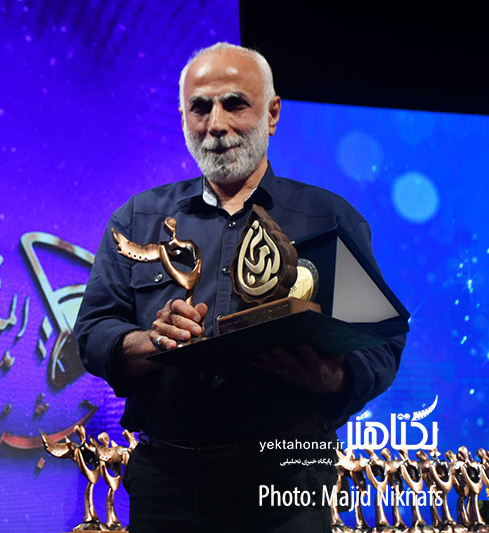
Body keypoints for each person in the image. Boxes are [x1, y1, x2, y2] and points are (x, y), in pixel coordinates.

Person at [74, 42, 406, 532]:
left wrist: (334, 380)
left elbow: (381, 344)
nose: (216, 124)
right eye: (200, 108)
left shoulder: (329, 217)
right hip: (167, 481)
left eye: (234, 104)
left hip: (289, 478)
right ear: (183, 119)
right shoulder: (138, 219)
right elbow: (93, 333)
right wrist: (151, 341)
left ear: (272, 114)